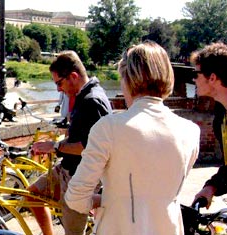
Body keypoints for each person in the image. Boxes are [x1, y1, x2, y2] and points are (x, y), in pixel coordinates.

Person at [65, 41, 200, 234]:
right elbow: (157, 193)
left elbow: (76, 197)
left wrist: (103, 201)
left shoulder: (108, 128)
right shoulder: (191, 131)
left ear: (128, 79)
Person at [27, 50, 112, 235]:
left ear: (73, 76)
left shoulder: (92, 101)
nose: (58, 89)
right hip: (67, 169)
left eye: (59, 83)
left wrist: (55, 147)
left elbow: (90, 148)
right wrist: (54, 145)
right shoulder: (84, 97)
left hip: (79, 178)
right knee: (32, 195)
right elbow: (80, 138)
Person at [192, 42, 227, 208]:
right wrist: (211, 186)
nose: (194, 79)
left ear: (212, 78)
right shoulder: (221, 115)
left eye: (196, 73)